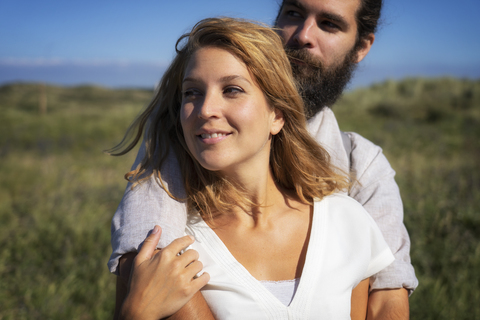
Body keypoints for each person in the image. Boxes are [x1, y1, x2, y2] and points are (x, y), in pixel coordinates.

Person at [110, 0, 418, 318]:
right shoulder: (173, 171)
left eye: (329, 24)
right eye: (294, 14)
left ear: (278, 114)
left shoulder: (356, 189)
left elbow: (387, 293)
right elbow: (145, 257)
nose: (303, 35)